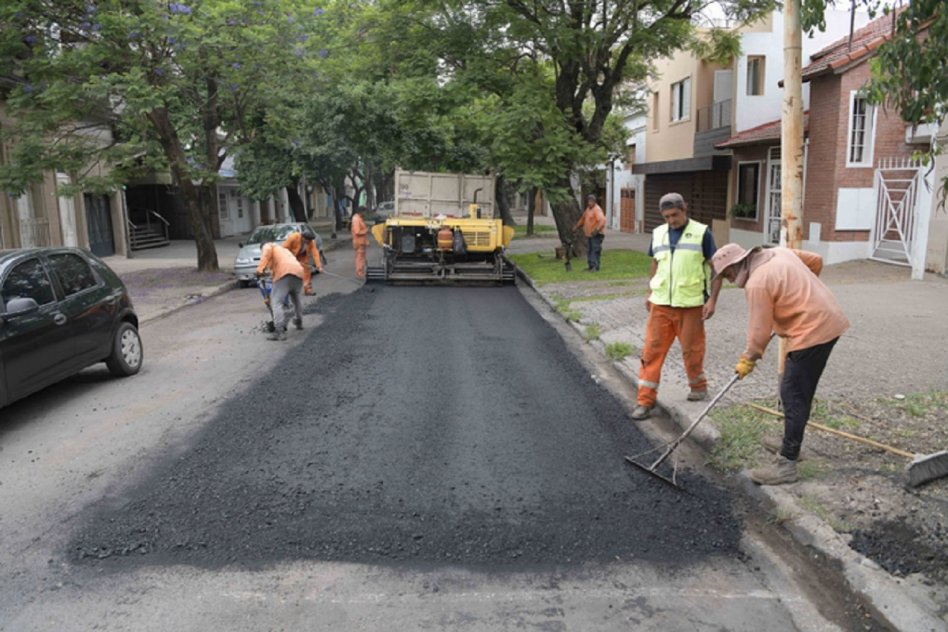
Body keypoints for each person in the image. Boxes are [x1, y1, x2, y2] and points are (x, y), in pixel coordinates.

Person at [710, 243, 849, 485]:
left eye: (727, 274)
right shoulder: (779, 252)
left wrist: (748, 359)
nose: (730, 280)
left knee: (793, 394)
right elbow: (815, 260)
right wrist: (795, 295)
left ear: (737, 265)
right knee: (794, 390)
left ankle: (787, 462)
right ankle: (791, 440)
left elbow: (758, 333)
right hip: (828, 318)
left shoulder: (757, 283)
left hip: (813, 331)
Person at [630, 192, 721, 420]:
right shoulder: (659, 233)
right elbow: (655, 263)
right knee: (651, 352)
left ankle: (698, 388)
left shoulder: (702, 233)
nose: (671, 221)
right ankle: (645, 401)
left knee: (692, 350)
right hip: (660, 305)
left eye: (675, 215)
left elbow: (718, 268)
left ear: (685, 208)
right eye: (667, 216)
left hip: (690, 305)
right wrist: (649, 291)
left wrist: (712, 300)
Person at [256, 242, 305, 341]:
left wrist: (260, 269)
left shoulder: (268, 246)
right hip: (298, 272)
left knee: (276, 302)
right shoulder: (283, 250)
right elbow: (276, 267)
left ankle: (279, 331)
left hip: (285, 272)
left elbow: (266, 252)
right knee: (296, 299)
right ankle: (299, 322)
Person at [282, 227, 323, 295]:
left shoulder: (311, 242)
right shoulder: (294, 237)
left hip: (302, 257)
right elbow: (284, 249)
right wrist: (290, 258)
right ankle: (289, 291)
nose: (309, 242)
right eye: (308, 241)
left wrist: (318, 266)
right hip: (291, 256)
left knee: (306, 272)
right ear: (303, 237)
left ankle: (308, 290)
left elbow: (315, 253)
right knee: (291, 274)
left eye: (310, 241)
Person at [573, 194, 606, 271]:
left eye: (591, 201)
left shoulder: (597, 209)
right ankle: (591, 266)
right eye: (588, 201)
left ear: (594, 201)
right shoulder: (588, 209)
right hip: (590, 234)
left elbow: (602, 220)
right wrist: (577, 226)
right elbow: (583, 219)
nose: (589, 202)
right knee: (590, 250)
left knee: (595, 250)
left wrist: (597, 230)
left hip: (596, 234)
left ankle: (595, 266)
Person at [351, 207, 369, 279]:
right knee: (360, 258)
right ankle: (359, 273)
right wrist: (366, 230)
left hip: (361, 242)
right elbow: (357, 231)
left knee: (361, 257)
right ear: (361, 212)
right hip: (359, 242)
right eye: (364, 212)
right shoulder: (356, 219)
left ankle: (360, 272)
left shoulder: (359, 218)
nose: (365, 214)